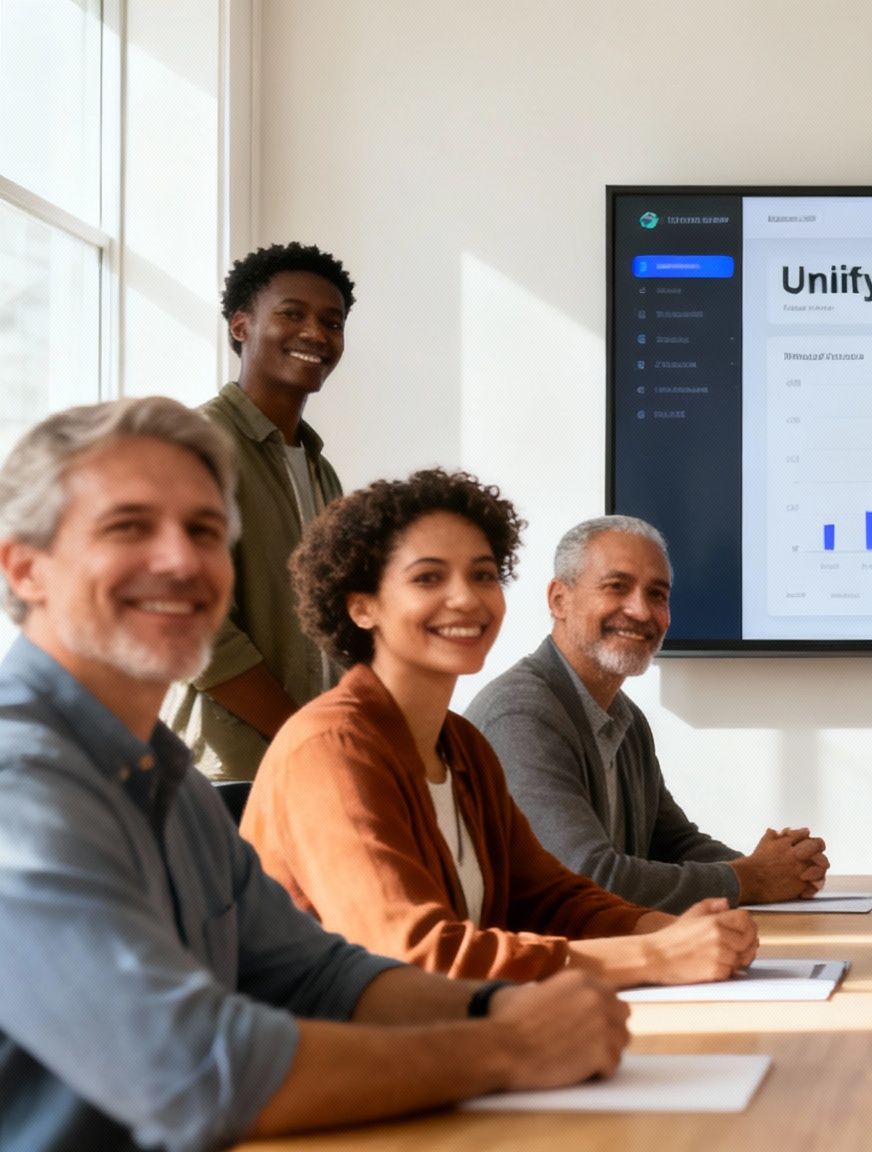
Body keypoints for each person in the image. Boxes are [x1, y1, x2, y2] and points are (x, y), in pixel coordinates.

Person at [0, 399, 629, 1151]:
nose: (181, 560)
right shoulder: (21, 783)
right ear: (25, 568)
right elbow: (192, 1071)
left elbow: (322, 977)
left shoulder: (167, 777)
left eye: (204, 531)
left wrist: (495, 1012)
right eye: (128, 526)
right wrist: (508, 1048)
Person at [241, 470, 760, 984]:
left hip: (442, 1038)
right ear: (362, 605)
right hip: (328, 1056)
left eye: (483, 575)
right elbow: (414, 953)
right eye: (428, 577)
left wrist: (670, 930)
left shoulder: (463, 746)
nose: (466, 598)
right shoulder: (329, 749)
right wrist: (653, 956)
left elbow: (551, 898)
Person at [469, 516, 829, 911]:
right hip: (536, 967)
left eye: (657, 595)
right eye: (616, 587)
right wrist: (753, 878)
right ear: (559, 599)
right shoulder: (521, 716)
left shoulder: (626, 718)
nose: (641, 611)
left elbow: (673, 844)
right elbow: (586, 879)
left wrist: (780, 868)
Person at [163, 243, 357, 782]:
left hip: (307, 766)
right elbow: (192, 626)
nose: (317, 333)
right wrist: (303, 732)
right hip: (225, 774)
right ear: (242, 325)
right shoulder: (197, 445)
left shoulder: (321, 471)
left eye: (332, 322)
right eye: (292, 313)